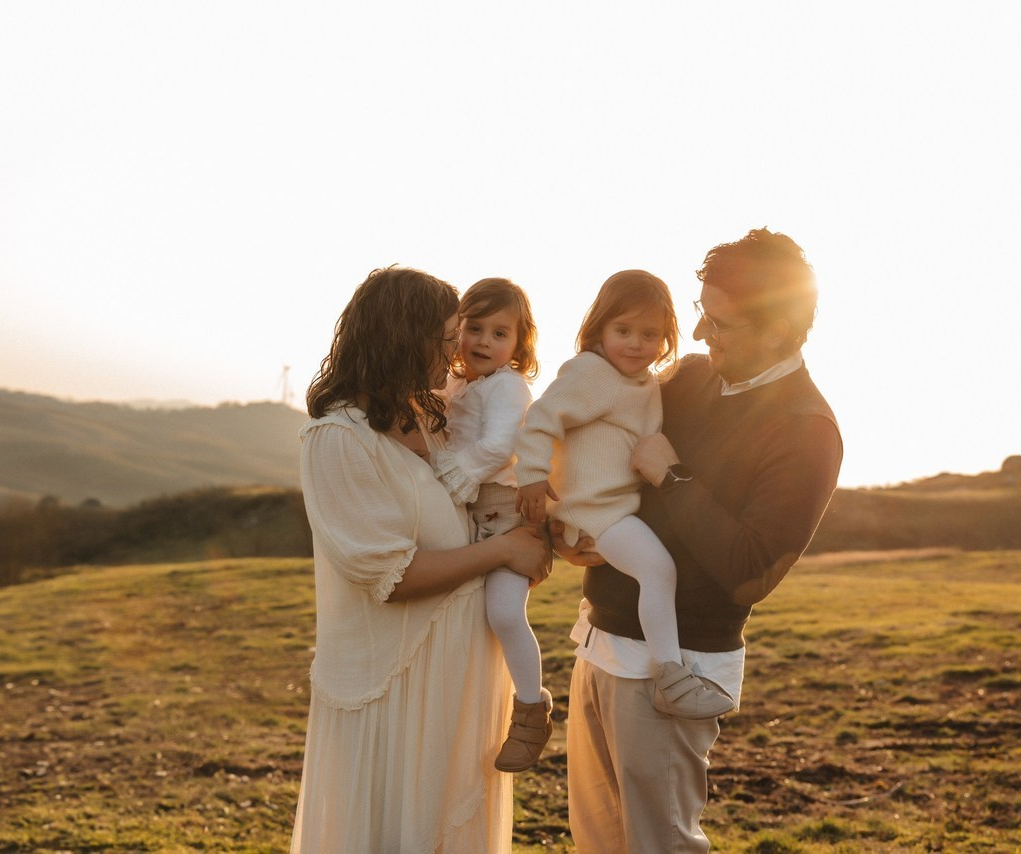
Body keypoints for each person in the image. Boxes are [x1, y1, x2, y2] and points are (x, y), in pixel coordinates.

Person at [560, 230, 844, 853]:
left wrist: (673, 475)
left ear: (777, 330)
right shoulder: (685, 378)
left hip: (676, 672)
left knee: (658, 846)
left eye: (719, 323)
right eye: (699, 314)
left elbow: (750, 571)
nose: (697, 335)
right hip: (599, 643)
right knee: (597, 845)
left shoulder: (807, 429)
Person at [289, 266, 550, 854]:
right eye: (446, 337)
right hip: (395, 690)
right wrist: (501, 550)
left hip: (456, 684)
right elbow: (392, 574)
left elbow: (490, 488)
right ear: (401, 339)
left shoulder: (432, 420)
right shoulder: (339, 439)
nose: (458, 349)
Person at [515, 270, 736, 722]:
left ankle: (669, 673)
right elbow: (540, 420)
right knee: (658, 570)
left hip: (614, 509)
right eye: (623, 331)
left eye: (649, 334)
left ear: (665, 338)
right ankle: (671, 677)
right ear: (599, 329)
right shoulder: (592, 372)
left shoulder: (645, 383)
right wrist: (533, 477)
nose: (635, 343)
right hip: (594, 511)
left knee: (656, 571)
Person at [429, 277, 553, 773]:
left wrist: (456, 475)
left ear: (519, 344)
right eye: (473, 328)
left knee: (503, 613)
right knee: (460, 612)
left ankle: (531, 708)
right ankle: (464, 712)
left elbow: (500, 445)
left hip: (503, 511)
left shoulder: (508, 386)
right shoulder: (456, 383)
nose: (483, 341)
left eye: (500, 333)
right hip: (466, 509)